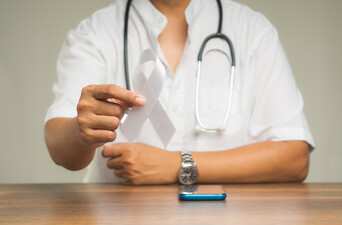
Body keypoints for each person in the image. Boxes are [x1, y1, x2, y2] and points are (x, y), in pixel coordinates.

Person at [44, 0, 315, 185]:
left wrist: (178, 165)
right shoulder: (96, 33)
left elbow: (294, 158)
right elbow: (60, 147)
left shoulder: (254, 31)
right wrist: (82, 131)